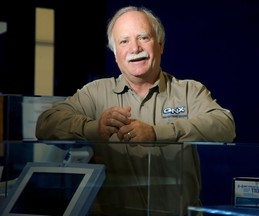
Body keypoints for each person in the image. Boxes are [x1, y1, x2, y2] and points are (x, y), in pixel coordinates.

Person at [36, 5, 236, 216]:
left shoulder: (189, 91)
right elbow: (45, 124)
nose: (135, 48)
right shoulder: (95, 93)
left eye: (143, 38)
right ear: (115, 55)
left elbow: (225, 125)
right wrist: (94, 128)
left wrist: (157, 133)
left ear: (160, 45)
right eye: (124, 41)